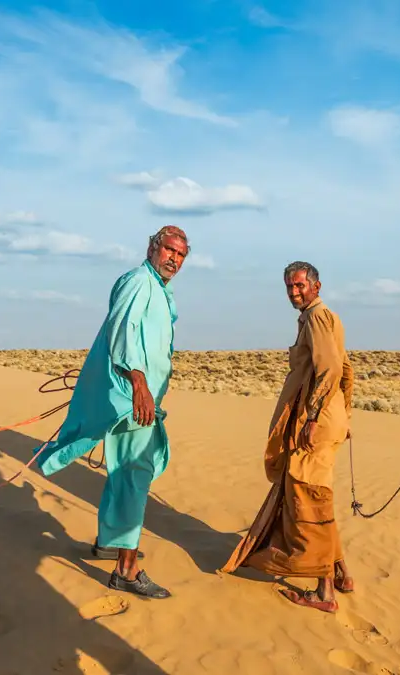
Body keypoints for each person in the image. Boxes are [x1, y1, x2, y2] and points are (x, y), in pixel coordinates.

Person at [34, 225, 189, 600]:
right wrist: (139, 384)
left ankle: (111, 543)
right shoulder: (139, 281)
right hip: (135, 399)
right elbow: (122, 332)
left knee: (125, 472)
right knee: (134, 474)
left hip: (143, 399)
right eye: (169, 250)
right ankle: (126, 570)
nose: (174, 259)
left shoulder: (157, 287)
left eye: (181, 255)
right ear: (152, 247)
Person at [220, 260, 355, 613]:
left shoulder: (317, 318)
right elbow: (346, 369)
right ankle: (341, 573)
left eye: (300, 286)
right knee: (314, 492)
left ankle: (325, 590)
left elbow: (332, 368)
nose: (295, 292)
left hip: (317, 425)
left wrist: (313, 417)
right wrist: (345, 413)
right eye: (290, 287)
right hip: (328, 419)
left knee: (309, 498)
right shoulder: (320, 318)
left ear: (317, 286)